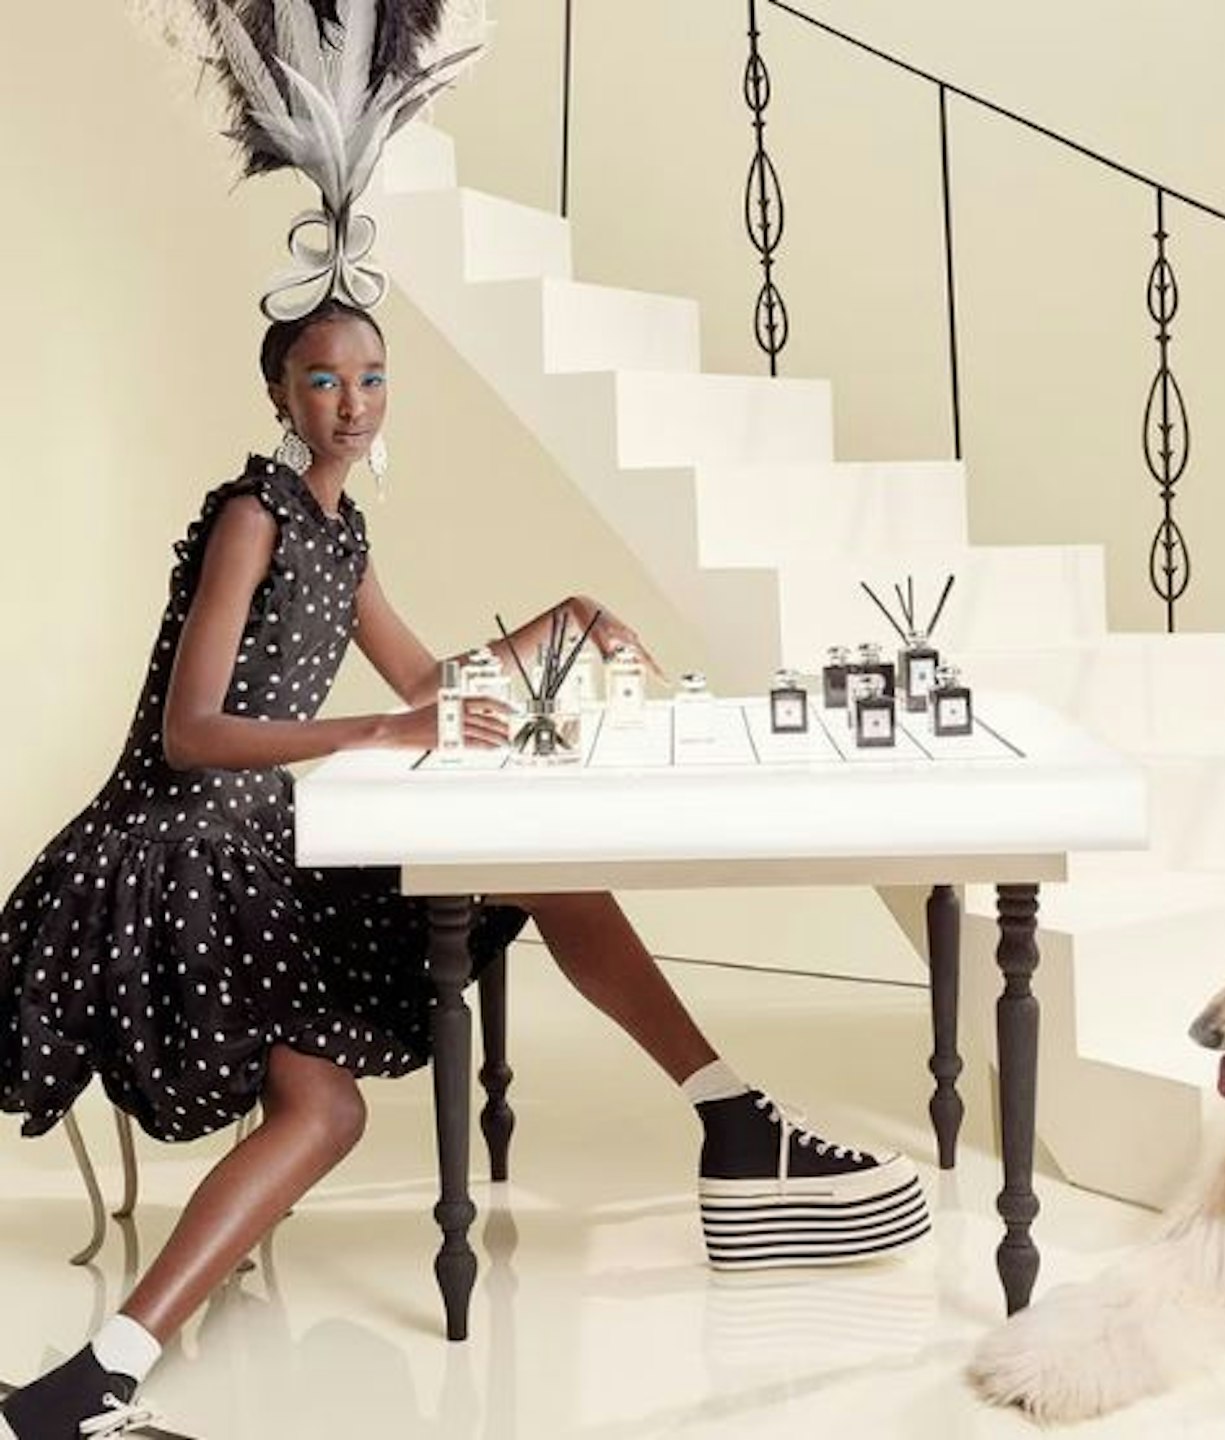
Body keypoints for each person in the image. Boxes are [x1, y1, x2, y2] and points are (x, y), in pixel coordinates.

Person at [0, 298, 930, 1439]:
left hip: (255, 849)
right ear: (281, 395)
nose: (353, 404)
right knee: (327, 1109)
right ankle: (94, 1381)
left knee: (543, 872)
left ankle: (732, 1120)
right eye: (325, 380)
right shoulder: (252, 515)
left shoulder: (337, 535)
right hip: (166, 862)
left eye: (374, 379)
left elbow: (423, 684)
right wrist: (374, 739)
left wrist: (564, 623)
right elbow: (190, 734)